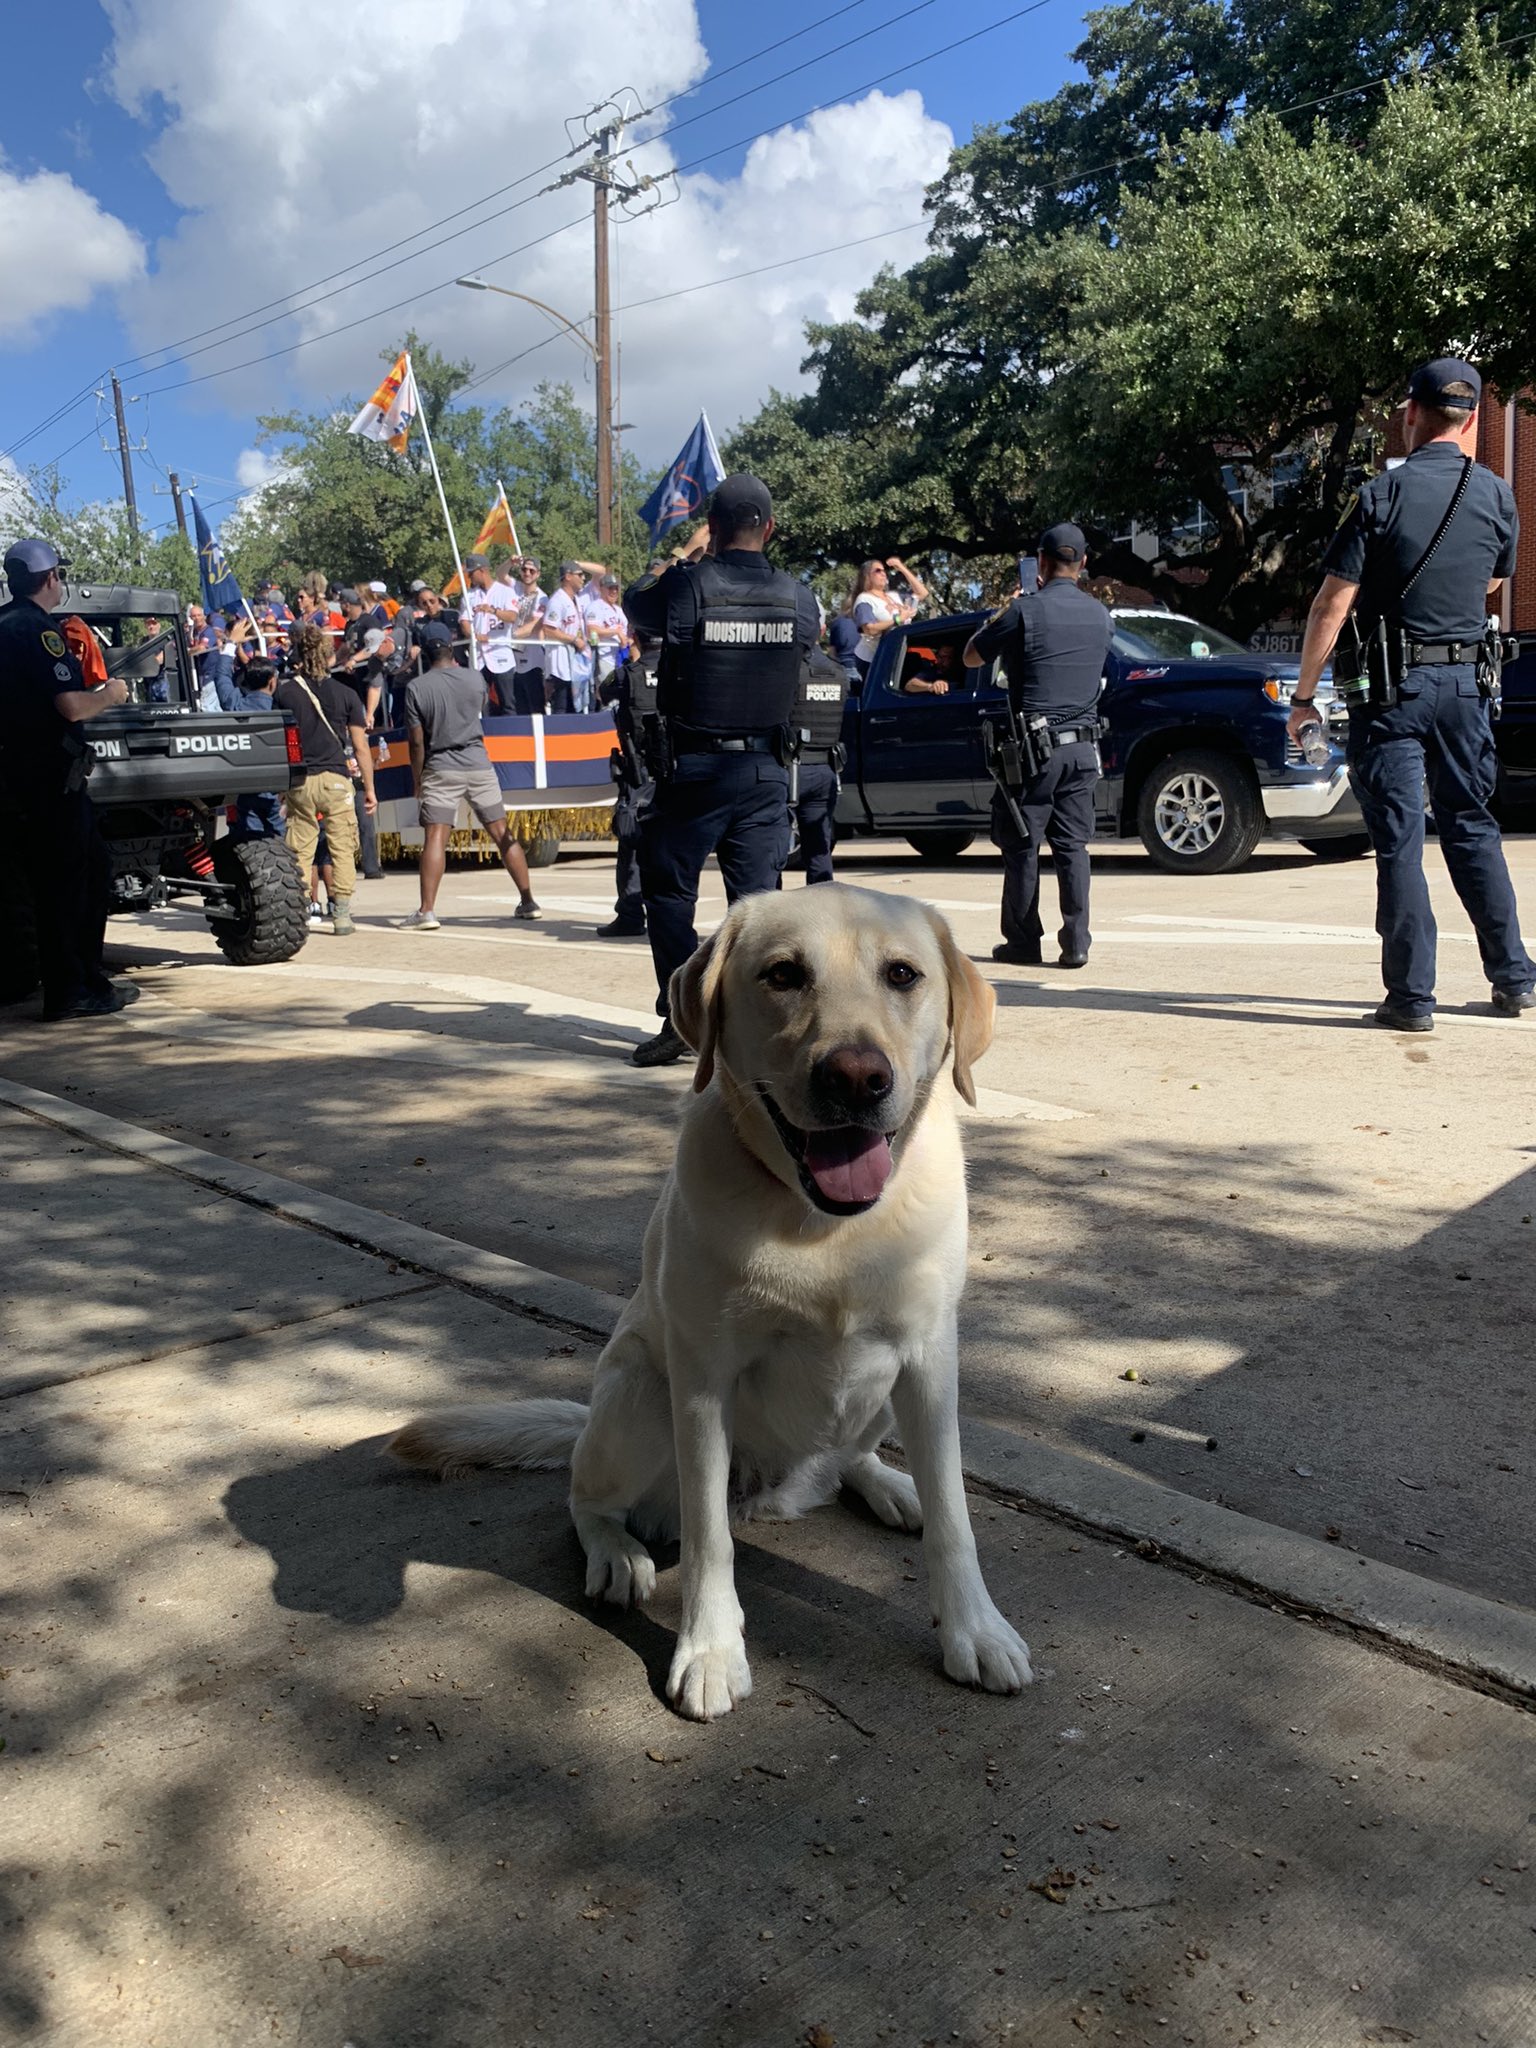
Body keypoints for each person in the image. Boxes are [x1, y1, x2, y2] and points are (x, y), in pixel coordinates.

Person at [1290, 356, 1535, 1028]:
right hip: (1464, 689)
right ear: (1476, 419)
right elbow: (1492, 582)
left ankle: (1411, 999)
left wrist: (1304, 697)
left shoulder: (1378, 496)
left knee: (1399, 840)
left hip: (1392, 695)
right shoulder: (1498, 495)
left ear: (1410, 414)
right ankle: (1513, 978)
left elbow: (1329, 606)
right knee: (1473, 829)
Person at [623, 472, 819, 1065]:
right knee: (759, 913)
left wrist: (681, 556)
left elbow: (636, 603)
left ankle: (681, 1020)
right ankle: (753, 1033)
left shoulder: (689, 585)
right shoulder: (798, 595)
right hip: (764, 772)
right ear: (771, 526)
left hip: (696, 771)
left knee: (670, 895)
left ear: (713, 526)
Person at [963, 522, 1110, 969]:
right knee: (1073, 847)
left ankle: (1024, 942)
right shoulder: (1101, 614)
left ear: (1041, 563)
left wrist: (1008, 610)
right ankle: (1077, 942)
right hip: (1084, 750)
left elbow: (973, 655)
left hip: (1034, 752)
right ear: (1083, 564)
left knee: (1023, 846)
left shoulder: (1024, 610)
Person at [0, 538, 133, 1019]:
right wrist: (112, 693)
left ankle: (79, 983)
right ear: (51, 578)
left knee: (65, 879)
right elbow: (71, 705)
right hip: (51, 781)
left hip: (16, 779)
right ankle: (72, 989)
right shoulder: (39, 632)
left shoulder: (2, 626)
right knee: (72, 884)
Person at [400, 622, 541, 930]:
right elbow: (477, 709)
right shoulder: (474, 678)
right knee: (502, 833)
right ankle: (528, 900)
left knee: (436, 837)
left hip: (440, 764)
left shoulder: (417, 688)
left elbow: (416, 741)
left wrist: (417, 777)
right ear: (452, 644)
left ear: (424, 650)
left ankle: (427, 911)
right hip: (478, 761)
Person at [275, 623, 375, 935]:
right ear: (329, 655)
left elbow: (281, 743)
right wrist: (369, 789)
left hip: (301, 780)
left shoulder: (285, 692)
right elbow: (360, 746)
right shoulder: (346, 693)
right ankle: (342, 914)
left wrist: (281, 786)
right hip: (336, 778)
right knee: (342, 847)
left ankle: (303, 909)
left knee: (300, 848)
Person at [791, 644, 849, 885]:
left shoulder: (788, 668)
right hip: (826, 768)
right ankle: (823, 913)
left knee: (772, 853)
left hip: (789, 768)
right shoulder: (838, 672)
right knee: (819, 850)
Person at [226, 659, 285, 843]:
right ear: (272, 681)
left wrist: (229, 648)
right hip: (273, 789)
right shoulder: (281, 708)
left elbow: (221, 678)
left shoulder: (235, 705)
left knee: (252, 840)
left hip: (246, 786)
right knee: (278, 838)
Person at [849, 556, 928, 679]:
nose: (883, 573)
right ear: (867, 576)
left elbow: (922, 593)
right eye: (877, 571)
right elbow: (869, 629)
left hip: (895, 654)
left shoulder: (894, 596)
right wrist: (897, 619)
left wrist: (902, 568)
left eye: (884, 570)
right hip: (873, 659)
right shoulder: (864, 599)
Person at [539, 561, 588, 714]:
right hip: (560, 663)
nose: (583, 578)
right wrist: (573, 639)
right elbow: (548, 629)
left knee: (577, 706)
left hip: (575, 661)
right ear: (568, 576)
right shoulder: (557, 600)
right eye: (579, 575)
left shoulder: (576, 599)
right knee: (561, 704)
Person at [508, 557, 548, 714]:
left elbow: (536, 624)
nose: (527, 573)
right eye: (524, 570)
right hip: (514, 661)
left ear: (538, 574)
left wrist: (512, 635)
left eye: (532, 571)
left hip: (533, 661)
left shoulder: (542, 597)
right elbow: (500, 574)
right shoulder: (514, 589)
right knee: (520, 709)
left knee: (536, 708)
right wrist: (510, 562)